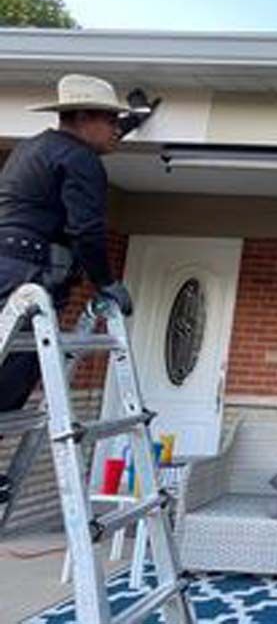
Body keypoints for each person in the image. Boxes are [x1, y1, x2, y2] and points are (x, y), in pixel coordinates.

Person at [0, 74, 137, 504]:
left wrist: (129, 123)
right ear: (81, 118)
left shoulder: (35, 148)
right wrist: (108, 283)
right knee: (12, 378)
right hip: (28, 276)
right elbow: (87, 230)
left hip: (7, 266)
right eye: (110, 120)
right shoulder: (81, 160)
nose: (117, 129)